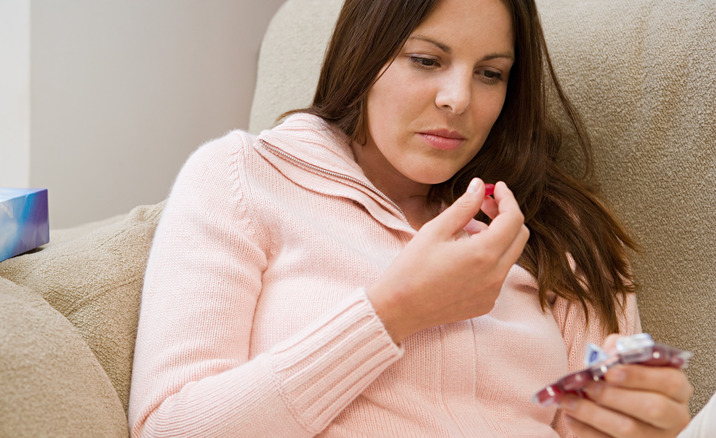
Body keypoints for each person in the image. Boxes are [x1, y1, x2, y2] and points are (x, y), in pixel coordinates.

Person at [128, 0, 693, 436]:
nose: (458, 99)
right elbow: (169, 426)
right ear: (363, 55)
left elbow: (586, 421)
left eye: (490, 73)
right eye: (427, 60)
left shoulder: (556, 225)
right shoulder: (243, 176)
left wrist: (640, 418)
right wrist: (391, 313)